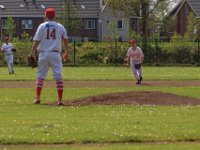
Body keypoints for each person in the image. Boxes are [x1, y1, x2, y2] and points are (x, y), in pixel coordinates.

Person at [29, 8, 69, 105]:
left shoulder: (42, 26)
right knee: (58, 76)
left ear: (46, 16)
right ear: (55, 16)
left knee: (41, 76)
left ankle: (37, 98)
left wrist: (32, 52)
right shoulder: (60, 26)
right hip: (55, 54)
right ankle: (60, 100)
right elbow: (65, 40)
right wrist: (66, 52)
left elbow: (37, 40)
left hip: (43, 54)